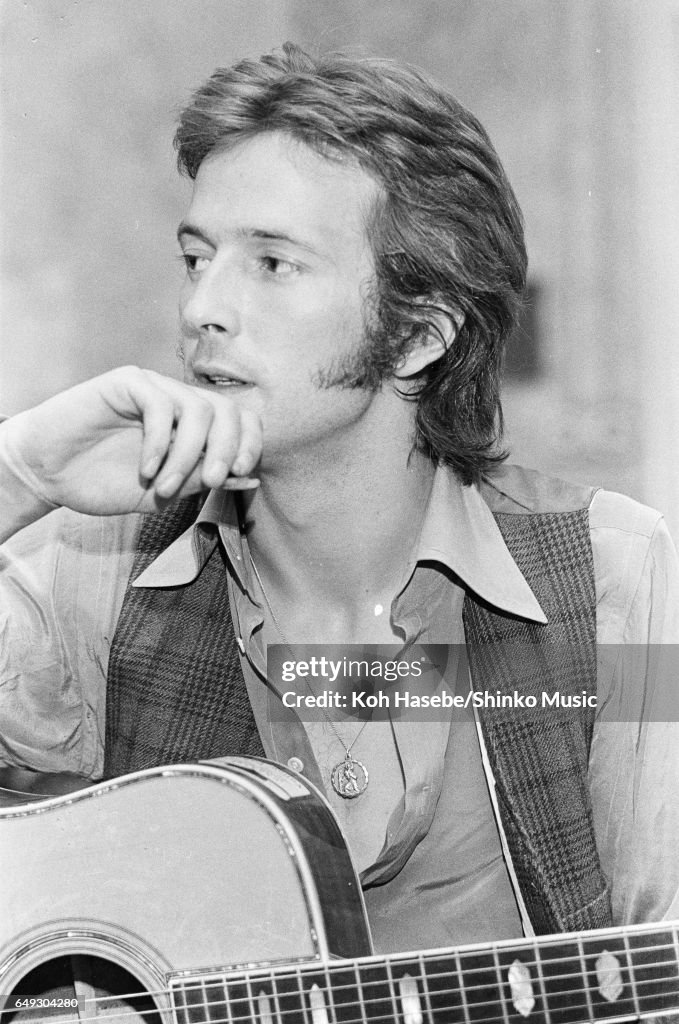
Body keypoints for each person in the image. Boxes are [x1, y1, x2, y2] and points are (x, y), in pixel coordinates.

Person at [1, 42, 678, 956]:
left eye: (272, 263)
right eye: (196, 258)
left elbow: (656, 946)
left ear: (417, 337)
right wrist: (21, 476)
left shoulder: (621, 575)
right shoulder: (93, 571)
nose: (203, 306)